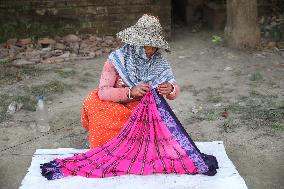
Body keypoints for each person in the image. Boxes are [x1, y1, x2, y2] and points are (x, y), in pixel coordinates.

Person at [40, 14, 218, 180]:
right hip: (118, 106)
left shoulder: (159, 62)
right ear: (137, 43)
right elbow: (103, 91)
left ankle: (137, 148)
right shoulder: (117, 59)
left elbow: (174, 91)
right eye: (148, 45)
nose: (151, 50)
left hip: (143, 113)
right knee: (93, 101)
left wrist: (170, 88)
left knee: (157, 125)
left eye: (154, 45)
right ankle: (107, 148)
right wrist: (130, 92)